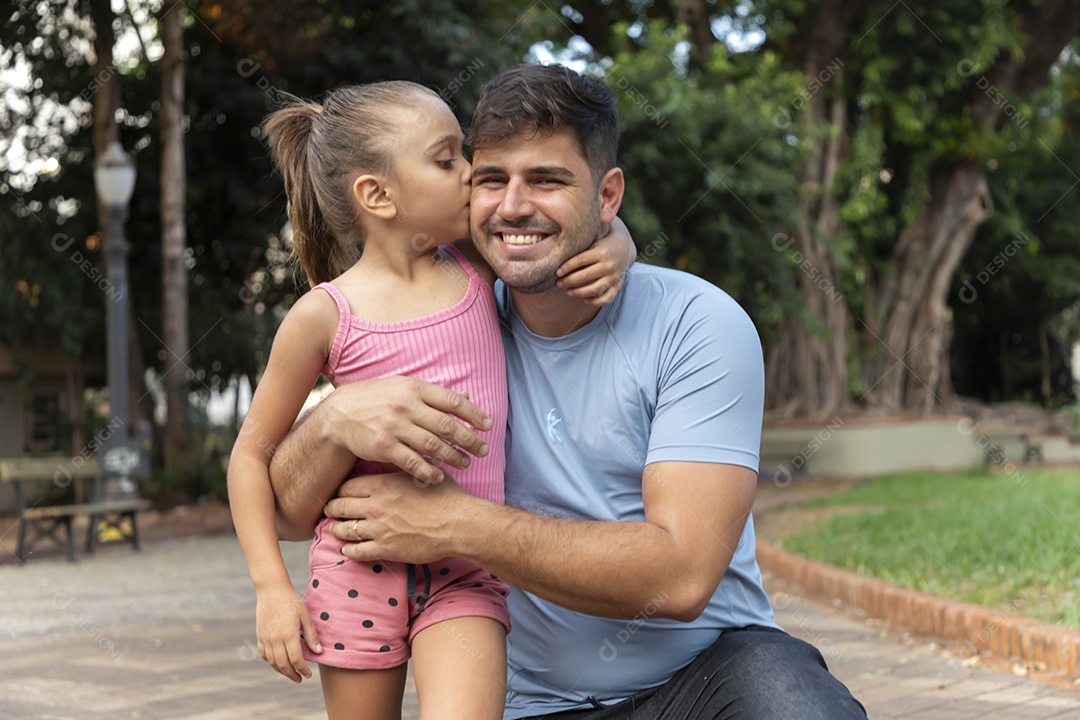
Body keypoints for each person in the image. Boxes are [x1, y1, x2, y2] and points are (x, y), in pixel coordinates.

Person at [268, 65, 867, 719]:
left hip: (706, 677)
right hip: (537, 705)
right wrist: (333, 422)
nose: (514, 205)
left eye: (548, 181)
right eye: (490, 180)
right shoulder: (446, 320)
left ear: (609, 197)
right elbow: (288, 516)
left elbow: (681, 574)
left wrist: (454, 524)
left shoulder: (697, 323)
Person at [227, 80, 636, 720]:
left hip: (465, 567)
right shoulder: (323, 315)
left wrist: (619, 244)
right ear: (378, 195)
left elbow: (563, 232)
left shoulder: (476, 263)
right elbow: (250, 455)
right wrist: (270, 589)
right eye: (448, 160)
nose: (475, 176)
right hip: (358, 567)